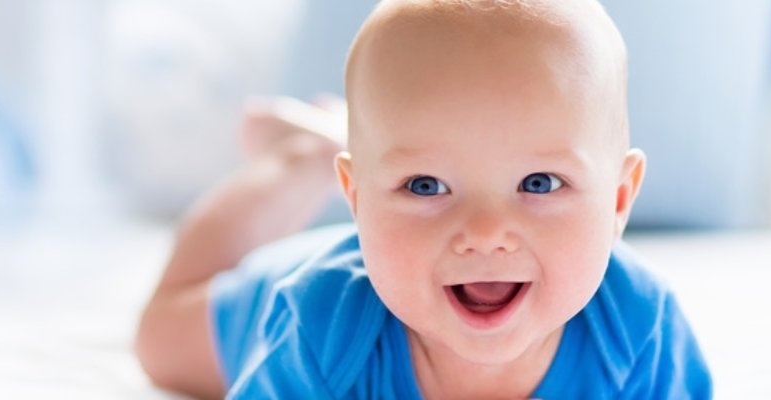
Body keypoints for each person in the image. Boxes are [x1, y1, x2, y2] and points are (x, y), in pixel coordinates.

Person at [136, 0, 711, 398]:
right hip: (273, 294)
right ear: (357, 199)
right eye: (425, 185)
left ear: (616, 202)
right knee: (157, 340)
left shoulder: (640, 330)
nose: (486, 232)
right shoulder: (318, 330)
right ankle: (299, 161)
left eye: (538, 183)